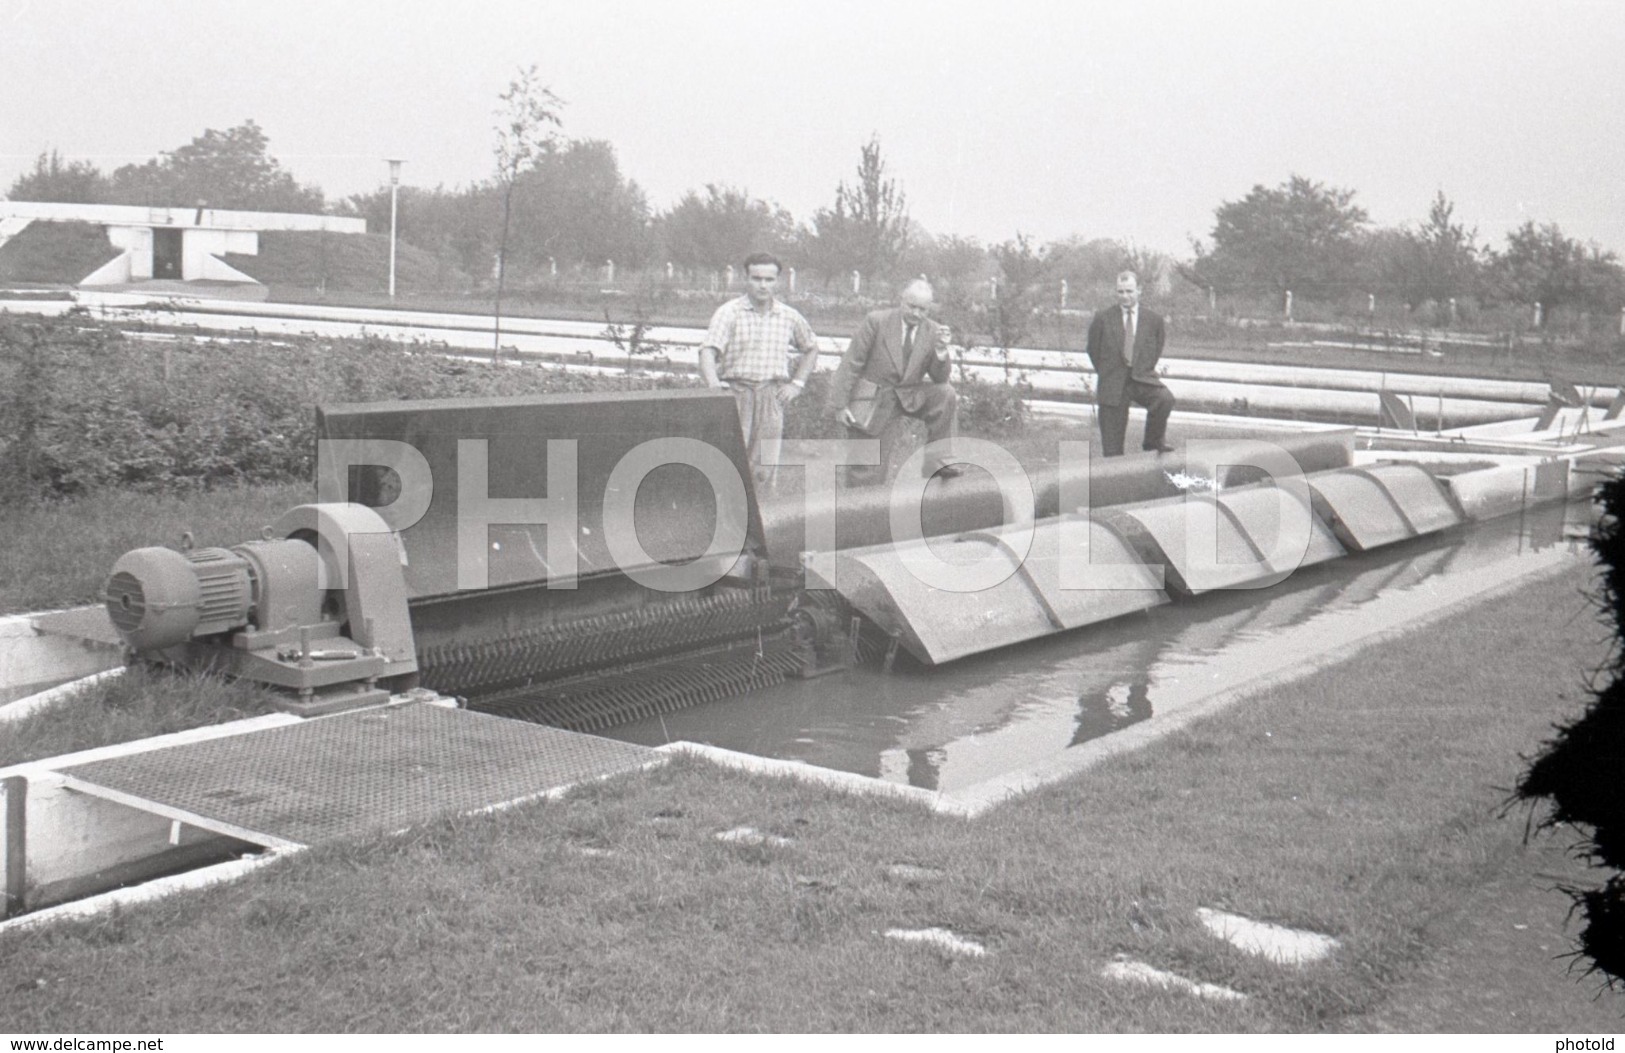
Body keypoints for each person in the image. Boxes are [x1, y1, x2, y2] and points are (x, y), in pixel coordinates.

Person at [698, 252, 821, 485]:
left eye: (769, 279)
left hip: (771, 396)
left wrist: (796, 384)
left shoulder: (788, 316)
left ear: (778, 281)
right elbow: (708, 350)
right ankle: (727, 519)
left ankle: (763, 517)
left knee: (764, 469)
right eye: (756, 278)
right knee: (728, 464)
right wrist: (714, 386)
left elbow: (811, 348)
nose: (762, 285)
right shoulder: (729, 312)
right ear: (746, 279)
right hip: (736, 394)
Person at [826, 278, 962, 484]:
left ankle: (938, 461)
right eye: (912, 306)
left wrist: (941, 351)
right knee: (867, 470)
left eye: (923, 310)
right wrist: (840, 405)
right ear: (901, 300)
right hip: (873, 398)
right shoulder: (876, 321)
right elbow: (851, 362)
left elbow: (940, 378)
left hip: (909, 394)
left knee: (945, 393)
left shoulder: (933, 330)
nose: (916, 314)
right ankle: (858, 511)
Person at [1084, 270, 1176, 457]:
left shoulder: (1153, 320)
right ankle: (1113, 482)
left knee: (1164, 399)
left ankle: (1152, 442)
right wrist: (1109, 373)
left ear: (1139, 290)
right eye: (1120, 292)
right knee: (1112, 452)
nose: (1125, 296)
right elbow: (1093, 350)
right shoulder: (1103, 318)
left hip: (1141, 379)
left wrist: (1141, 368)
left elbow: (1156, 348)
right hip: (1113, 383)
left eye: (1129, 291)